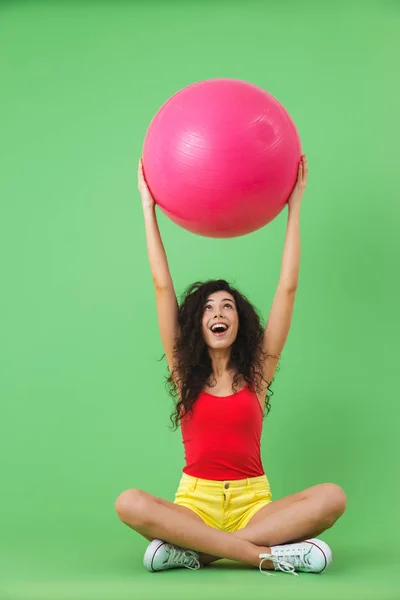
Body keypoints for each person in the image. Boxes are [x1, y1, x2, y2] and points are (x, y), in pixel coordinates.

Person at [115, 156, 347, 576]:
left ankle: (196, 553)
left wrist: (294, 206)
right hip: (195, 506)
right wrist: (147, 208)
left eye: (226, 306)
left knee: (333, 496)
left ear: (239, 322)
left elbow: (287, 288)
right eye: (207, 308)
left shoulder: (258, 374)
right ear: (197, 325)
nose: (217, 312)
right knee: (127, 502)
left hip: (254, 508)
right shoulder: (184, 373)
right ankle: (269, 557)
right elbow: (162, 286)